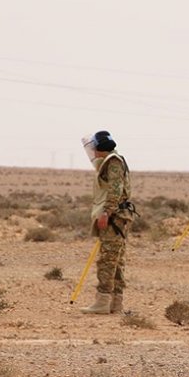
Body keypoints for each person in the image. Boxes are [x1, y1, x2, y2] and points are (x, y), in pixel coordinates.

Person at [80, 131, 136, 315]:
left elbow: (115, 190)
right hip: (119, 216)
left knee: (107, 260)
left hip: (114, 218)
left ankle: (103, 301)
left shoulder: (113, 162)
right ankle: (115, 303)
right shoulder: (114, 160)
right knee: (116, 261)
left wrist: (106, 213)